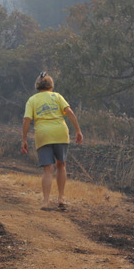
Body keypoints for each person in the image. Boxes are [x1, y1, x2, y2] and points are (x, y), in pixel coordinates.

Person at [21, 72, 83, 211]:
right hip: (60, 133)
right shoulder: (57, 97)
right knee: (61, 165)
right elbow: (70, 113)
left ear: (37, 85)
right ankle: (61, 199)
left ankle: (46, 202)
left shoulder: (32, 100)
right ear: (51, 85)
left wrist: (24, 139)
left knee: (48, 169)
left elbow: (26, 120)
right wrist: (78, 130)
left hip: (43, 135)